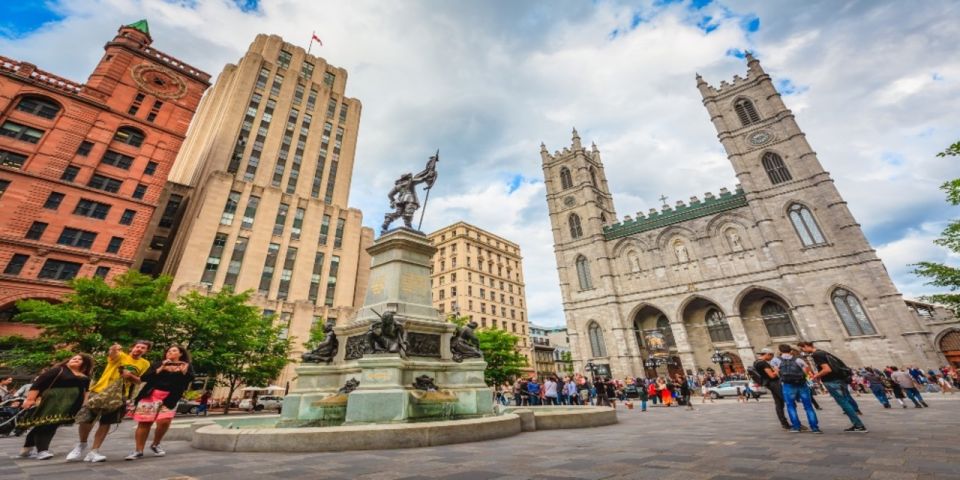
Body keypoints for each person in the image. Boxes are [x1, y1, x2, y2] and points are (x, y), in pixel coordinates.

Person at [67, 341, 151, 462]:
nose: (139, 349)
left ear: (146, 351)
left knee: (106, 423)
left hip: (120, 395)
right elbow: (112, 354)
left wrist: (130, 376)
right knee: (87, 419)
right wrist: (113, 348)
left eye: (143, 348)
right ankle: (82, 444)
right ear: (132, 347)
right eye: (137, 346)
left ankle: (94, 451)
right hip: (101, 390)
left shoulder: (145, 363)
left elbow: (139, 380)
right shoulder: (121, 356)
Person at [17, 354, 94, 460]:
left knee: (47, 424)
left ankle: (27, 449)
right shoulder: (59, 370)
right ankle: (42, 451)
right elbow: (38, 383)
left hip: (68, 405)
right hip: (51, 402)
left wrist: (84, 404)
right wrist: (30, 399)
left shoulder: (84, 376)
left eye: (79, 359)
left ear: (84, 363)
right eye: (73, 358)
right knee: (47, 424)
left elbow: (86, 391)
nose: (75, 359)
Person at [127, 345, 195, 460]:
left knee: (164, 421)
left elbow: (190, 379)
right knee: (145, 422)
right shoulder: (158, 364)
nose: (170, 352)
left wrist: (184, 373)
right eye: (168, 351)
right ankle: (138, 450)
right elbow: (145, 378)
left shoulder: (186, 366)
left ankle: (155, 444)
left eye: (174, 350)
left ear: (181, 354)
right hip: (151, 395)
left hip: (171, 397)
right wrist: (161, 368)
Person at [798, 341, 866, 433]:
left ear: (805, 346)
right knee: (846, 401)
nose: (802, 351)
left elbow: (827, 369)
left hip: (832, 381)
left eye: (801, 348)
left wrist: (816, 376)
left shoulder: (816, 355)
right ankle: (857, 423)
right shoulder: (823, 352)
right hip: (840, 380)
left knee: (844, 403)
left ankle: (859, 425)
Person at [771, 344, 821, 433]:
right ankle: (815, 428)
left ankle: (796, 427)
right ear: (791, 351)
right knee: (808, 407)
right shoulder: (798, 359)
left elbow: (777, 372)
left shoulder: (775, 360)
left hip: (787, 385)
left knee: (791, 406)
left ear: (780, 351)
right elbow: (806, 371)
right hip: (801, 384)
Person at [754, 348, 791, 430]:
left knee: (779, 404)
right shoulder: (763, 363)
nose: (772, 358)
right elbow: (772, 375)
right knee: (787, 401)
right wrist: (777, 370)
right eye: (772, 355)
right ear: (767, 354)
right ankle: (795, 422)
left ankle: (784, 423)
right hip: (774, 383)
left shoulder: (756, 362)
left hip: (769, 384)